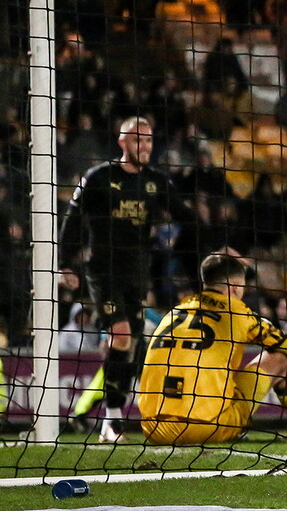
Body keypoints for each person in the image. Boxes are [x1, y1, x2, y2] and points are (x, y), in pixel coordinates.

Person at [59, 116, 201, 443]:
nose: (145, 146)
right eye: (138, 139)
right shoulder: (98, 177)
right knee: (122, 336)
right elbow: (73, 220)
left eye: (149, 140)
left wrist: (213, 245)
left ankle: (111, 418)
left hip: (138, 272)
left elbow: (186, 218)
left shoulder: (156, 181)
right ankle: (111, 422)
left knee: (129, 345)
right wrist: (66, 264)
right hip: (103, 270)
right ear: (122, 142)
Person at [139, 253, 287, 445]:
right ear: (235, 287)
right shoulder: (238, 313)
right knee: (277, 359)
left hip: (152, 427)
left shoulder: (175, 312)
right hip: (203, 428)